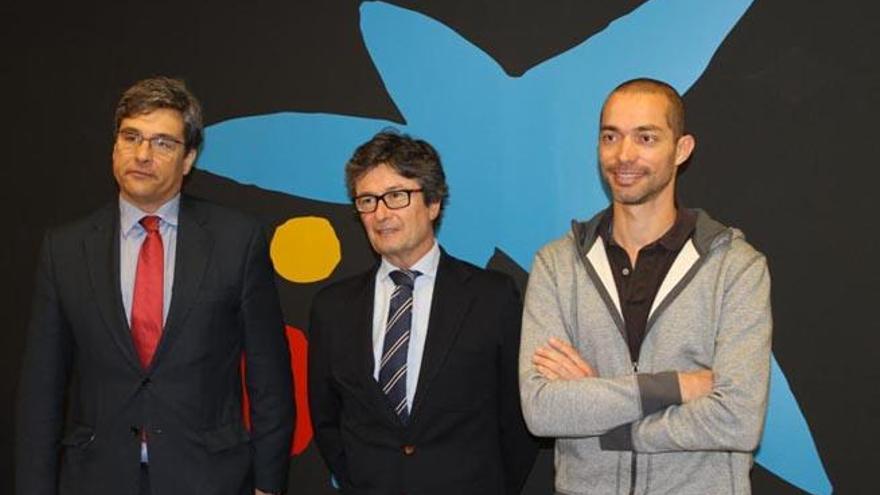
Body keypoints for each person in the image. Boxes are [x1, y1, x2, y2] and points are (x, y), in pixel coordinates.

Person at [15, 77, 294, 495]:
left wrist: (269, 486)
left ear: (189, 159)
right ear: (114, 148)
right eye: (131, 137)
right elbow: (41, 389)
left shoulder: (237, 241)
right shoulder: (65, 249)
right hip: (95, 478)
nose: (142, 154)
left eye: (163, 143)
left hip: (209, 478)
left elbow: (269, 379)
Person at [519, 78, 772, 494]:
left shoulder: (736, 267)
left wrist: (615, 425)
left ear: (682, 150)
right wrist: (678, 387)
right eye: (610, 137)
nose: (624, 155)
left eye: (646, 137)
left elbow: (738, 418)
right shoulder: (557, 266)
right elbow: (543, 410)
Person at [308, 130, 538, 494]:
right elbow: (327, 421)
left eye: (396, 196)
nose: (380, 213)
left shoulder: (491, 297)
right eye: (367, 200)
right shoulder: (332, 309)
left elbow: (517, 417)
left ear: (433, 203)